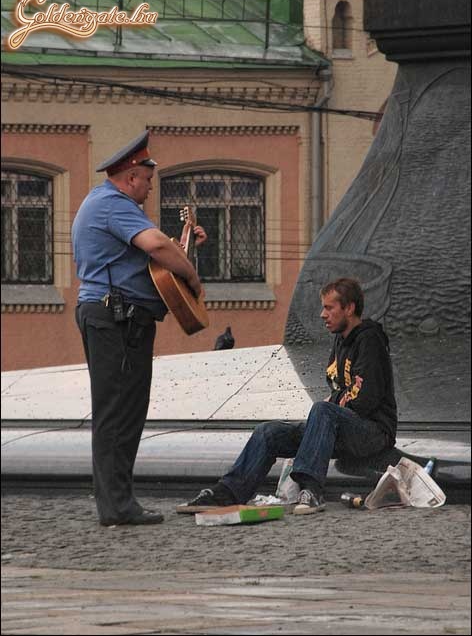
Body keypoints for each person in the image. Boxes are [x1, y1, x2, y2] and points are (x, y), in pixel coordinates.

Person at [72, 130, 207, 526]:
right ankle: (117, 507)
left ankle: (119, 501)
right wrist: (193, 279)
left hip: (117, 318)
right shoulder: (113, 204)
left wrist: (184, 250)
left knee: (124, 410)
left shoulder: (106, 203)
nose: (150, 190)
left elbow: (151, 257)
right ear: (131, 176)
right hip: (117, 319)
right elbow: (157, 247)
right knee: (118, 412)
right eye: (147, 181)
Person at [183, 277, 397, 515]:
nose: (322, 315)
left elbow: (365, 399)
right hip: (342, 427)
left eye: (329, 308)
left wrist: (333, 402)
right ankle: (228, 492)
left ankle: (311, 490)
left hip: (374, 432)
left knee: (322, 409)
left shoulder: (369, 339)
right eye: (322, 307)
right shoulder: (340, 340)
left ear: (349, 308)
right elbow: (338, 388)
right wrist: (334, 402)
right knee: (269, 432)